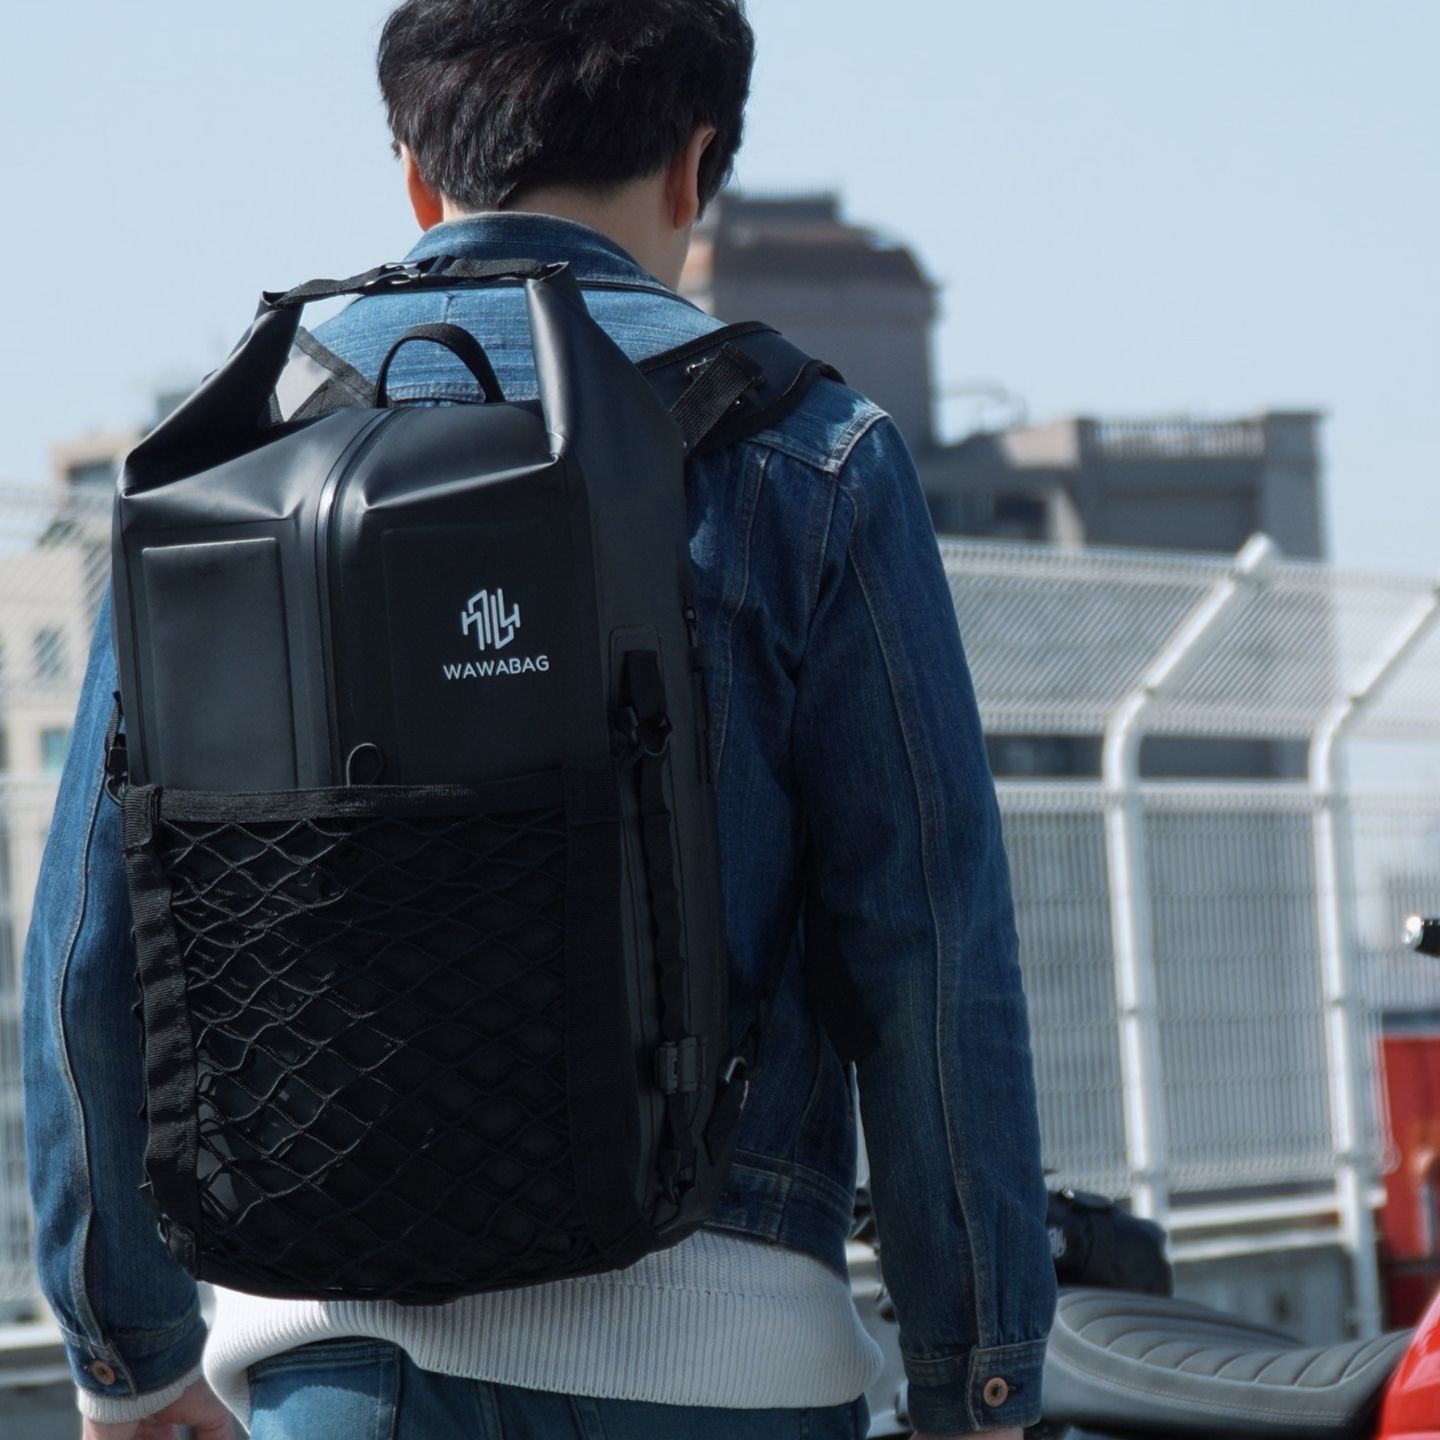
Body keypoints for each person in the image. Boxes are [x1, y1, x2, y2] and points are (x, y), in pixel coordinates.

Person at [22, 2, 1058, 1437]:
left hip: (341, 1366)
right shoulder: (807, 455)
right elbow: (926, 945)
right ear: (694, 168)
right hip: (724, 1365)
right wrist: (978, 1372)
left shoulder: (227, 460)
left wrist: (128, 1356)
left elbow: (91, 949)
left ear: (414, 173)